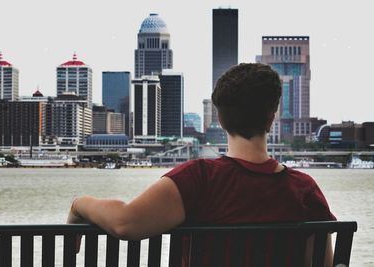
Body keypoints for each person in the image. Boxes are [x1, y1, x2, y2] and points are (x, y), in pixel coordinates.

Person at [67, 63, 336, 266]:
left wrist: (79, 204)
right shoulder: (304, 189)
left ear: (220, 119)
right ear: (271, 119)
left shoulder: (199, 179)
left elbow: (125, 223)